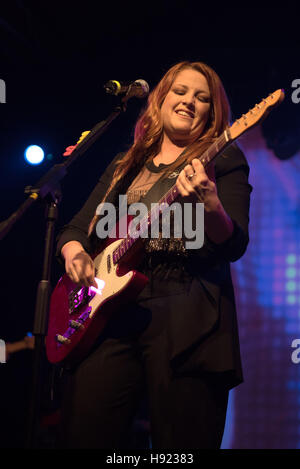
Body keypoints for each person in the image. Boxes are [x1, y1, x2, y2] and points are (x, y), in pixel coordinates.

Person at [55, 61, 252, 449]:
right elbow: (76, 229)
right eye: (180, 92)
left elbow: (233, 243)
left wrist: (210, 202)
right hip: (111, 315)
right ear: (160, 100)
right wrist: (75, 252)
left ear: (213, 113)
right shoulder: (123, 165)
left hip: (188, 314)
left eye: (202, 98)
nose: (189, 102)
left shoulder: (222, 159)